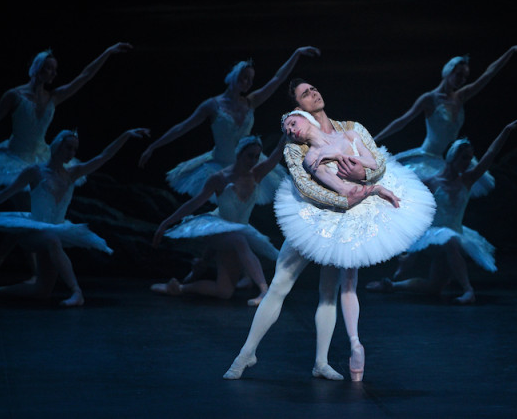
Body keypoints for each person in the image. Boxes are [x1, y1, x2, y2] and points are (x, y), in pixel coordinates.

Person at [223, 79, 402, 382]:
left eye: (314, 88)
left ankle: (321, 362)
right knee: (281, 283)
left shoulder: (349, 127)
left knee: (329, 291)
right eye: (305, 94)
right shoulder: (296, 145)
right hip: (312, 216)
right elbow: (306, 187)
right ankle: (246, 353)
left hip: (345, 218)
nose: (314, 93)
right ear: (298, 107)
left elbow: (378, 163)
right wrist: (344, 201)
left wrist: (364, 174)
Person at [0, 128, 150, 307]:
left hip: (55, 231)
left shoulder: (73, 173)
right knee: (52, 239)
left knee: (42, 291)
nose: (72, 153)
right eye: (68, 148)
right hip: (33, 232)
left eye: (74, 149)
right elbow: (3, 194)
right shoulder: (35, 172)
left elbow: (103, 156)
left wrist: (124, 135)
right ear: (57, 145)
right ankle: (77, 292)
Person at [368, 119, 517, 303]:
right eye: (464, 158)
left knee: (434, 287)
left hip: (455, 234)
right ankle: (468, 291)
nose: (468, 162)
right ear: (452, 157)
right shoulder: (431, 182)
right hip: (432, 236)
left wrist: (507, 129)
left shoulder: (467, 180)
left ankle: (391, 286)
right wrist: (411, 251)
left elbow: (491, 154)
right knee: (449, 239)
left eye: (470, 158)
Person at [138, 47, 320, 203]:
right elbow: (182, 127)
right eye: (244, 77)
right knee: (222, 205)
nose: (247, 83)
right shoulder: (212, 105)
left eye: (250, 79)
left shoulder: (250, 101)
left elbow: (277, 78)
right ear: (233, 75)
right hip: (220, 164)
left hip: (247, 163)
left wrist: (296, 54)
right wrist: (153, 146)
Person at [0, 43, 133, 185]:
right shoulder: (14, 96)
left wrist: (107, 52)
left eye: (55, 70)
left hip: (42, 155)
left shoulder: (53, 96)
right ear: (37, 69)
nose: (53, 73)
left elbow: (84, 76)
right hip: (16, 155)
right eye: (49, 68)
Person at [374, 44, 517, 198]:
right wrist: (376, 138)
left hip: (452, 158)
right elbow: (402, 121)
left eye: (465, 76)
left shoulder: (461, 96)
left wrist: (511, 52)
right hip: (429, 157)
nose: (462, 80)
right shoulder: (430, 99)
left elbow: (488, 74)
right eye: (459, 75)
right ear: (448, 72)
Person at [150, 135, 286, 306]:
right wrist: (165, 224)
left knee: (224, 292)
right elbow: (193, 204)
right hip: (217, 230)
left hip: (238, 231)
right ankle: (265, 291)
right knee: (240, 240)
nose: (253, 160)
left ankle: (180, 288)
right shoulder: (219, 178)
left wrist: (287, 134)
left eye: (256, 156)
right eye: (249, 155)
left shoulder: (257, 174)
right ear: (239, 154)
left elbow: (277, 153)